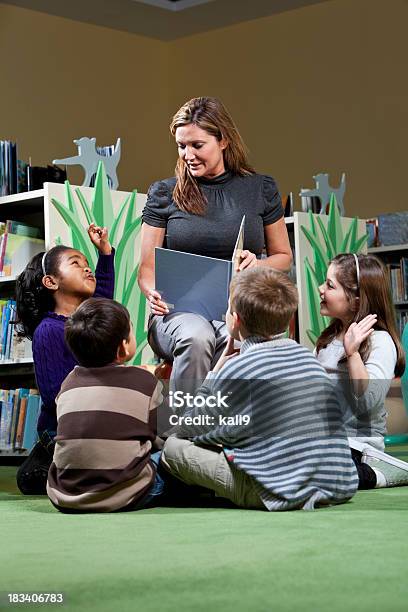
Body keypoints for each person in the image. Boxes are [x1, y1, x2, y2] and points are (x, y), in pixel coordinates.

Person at [160, 268, 358, 511]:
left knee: (172, 447)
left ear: (236, 320)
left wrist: (216, 370)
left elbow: (188, 428)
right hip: (335, 483)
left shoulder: (238, 369)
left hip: (278, 490)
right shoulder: (308, 360)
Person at [138, 96, 292, 395]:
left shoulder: (260, 189)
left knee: (251, 343)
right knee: (198, 337)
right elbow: (146, 268)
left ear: (223, 140)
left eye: (197, 145)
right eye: (181, 146)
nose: (187, 154)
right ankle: (182, 431)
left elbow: (283, 257)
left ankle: (242, 431)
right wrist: (152, 293)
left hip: (237, 311)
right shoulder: (163, 193)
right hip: (178, 314)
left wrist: (256, 264)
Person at [15, 224, 115, 495]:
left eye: (87, 263)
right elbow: (53, 397)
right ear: (51, 281)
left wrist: (105, 254)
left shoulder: (87, 325)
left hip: (93, 418)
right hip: (61, 428)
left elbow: (103, 302)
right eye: (75, 263)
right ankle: (45, 464)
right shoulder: (49, 331)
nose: (86, 268)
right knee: (35, 477)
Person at [47, 298, 167, 512]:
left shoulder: (68, 383)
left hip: (66, 494)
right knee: (172, 453)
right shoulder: (144, 381)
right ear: (123, 347)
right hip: (122, 494)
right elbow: (164, 433)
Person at [316, 253, 408, 489]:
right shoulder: (327, 338)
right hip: (324, 442)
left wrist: (353, 353)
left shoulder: (381, 341)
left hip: (356, 447)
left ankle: (379, 472)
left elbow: (367, 401)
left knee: (321, 472)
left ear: (356, 301)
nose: (320, 289)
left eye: (329, 285)